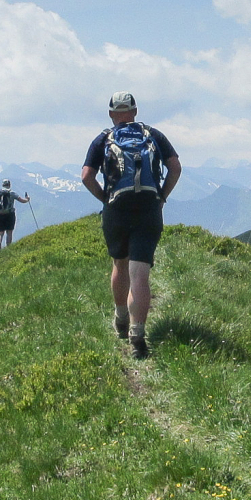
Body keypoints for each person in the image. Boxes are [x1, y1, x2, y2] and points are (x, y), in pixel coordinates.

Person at [80, 91, 181, 359]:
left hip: (117, 210)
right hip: (148, 209)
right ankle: (138, 336)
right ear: (135, 112)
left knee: (120, 263)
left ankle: (121, 318)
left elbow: (86, 176)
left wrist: (105, 199)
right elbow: (175, 168)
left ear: (111, 114)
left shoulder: (103, 139)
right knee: (140, 274)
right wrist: (161, 197)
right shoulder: (153, 135)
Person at [0, 179, 30, 251]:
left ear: (2, 185)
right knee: (9, 232)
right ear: (9, 185)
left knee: (0, 232)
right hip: (9, 214)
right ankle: (8, 247)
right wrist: (27, 199)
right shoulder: (12, 193)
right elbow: (22, 200)